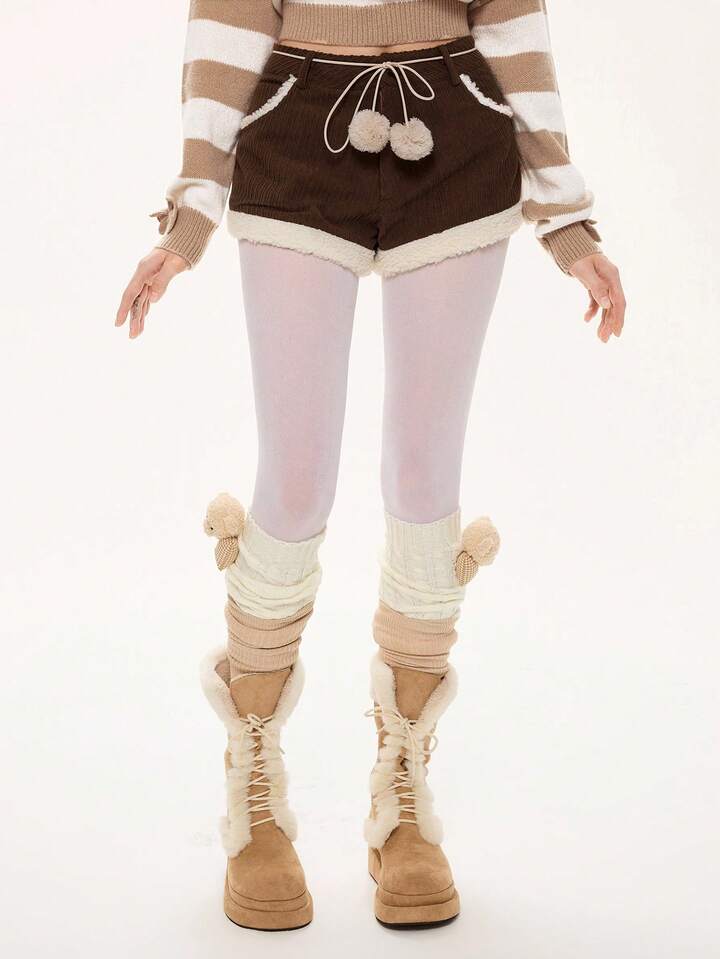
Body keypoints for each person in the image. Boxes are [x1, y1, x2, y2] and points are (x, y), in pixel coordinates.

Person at [116, 0, 626, 932]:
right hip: (295, 129)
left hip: (458, 129)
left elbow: (511, 17)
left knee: (426, 477)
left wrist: (566, 216)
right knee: (295, 478)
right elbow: (229, 15)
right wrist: (189, 212)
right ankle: (254, 784)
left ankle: (403, 793)